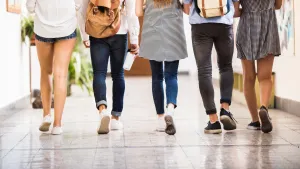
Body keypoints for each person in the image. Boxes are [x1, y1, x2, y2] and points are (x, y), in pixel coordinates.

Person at [77, 0, 140, 134]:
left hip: (96, 31)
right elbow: (131, 14)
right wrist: (134, 40)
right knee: (118, 75)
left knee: (99, 73)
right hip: (120, 30)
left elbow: (81, 10)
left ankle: (102, 110)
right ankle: (116, 118)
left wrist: (84, 34)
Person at [183, 0, 238, 134]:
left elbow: (186, 7)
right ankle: (225, 108)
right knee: (225, 66)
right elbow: (236, 5)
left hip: (200, 25)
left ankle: (213, 121)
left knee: (204, 71)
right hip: (224, 24)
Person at [26, 0, 79, 135]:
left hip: (43, 29)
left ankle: (46, 115)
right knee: (60, 75)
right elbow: (78, 4)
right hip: (66, 27)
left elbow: (30, 6)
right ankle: (57, 125)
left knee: (46, 71)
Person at [136, 0, 188, 135]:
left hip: (152, 29)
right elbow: (187, 8)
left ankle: (160, 119)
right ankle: (170, 109)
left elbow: (138, 12)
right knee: (171, 75)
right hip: (173, 30)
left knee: (157, 76)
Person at [234, 0, 282, 133]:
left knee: (249, 77)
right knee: (265, 77)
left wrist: (249, 11)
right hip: (268, 25)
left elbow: (235, 11)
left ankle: (255, 121)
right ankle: (264, 108)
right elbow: (278, 5)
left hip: (246, 26)